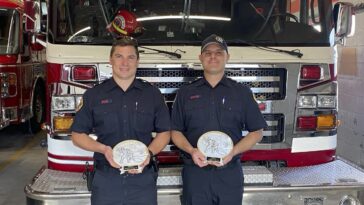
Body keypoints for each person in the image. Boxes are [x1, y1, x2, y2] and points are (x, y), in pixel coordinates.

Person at [71, 37, 170, 205]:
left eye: (130, 57)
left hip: (143, 180)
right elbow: (77, 135)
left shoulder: (152, 95)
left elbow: (165, 132)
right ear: (110, 60)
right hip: (106, 180)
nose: (125, 62)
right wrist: (103, 149)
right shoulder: (94, 95)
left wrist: (149, 153)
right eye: (119, 56)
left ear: (137, 61)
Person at [171, 34, 267, 205]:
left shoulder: (242, 92)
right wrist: (192, 151)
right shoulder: (185, 93)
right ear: (201, 58)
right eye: (207, 53)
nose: (213, 56)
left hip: (229, 173)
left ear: (227, 57)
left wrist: (233, 152)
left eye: (219, 52)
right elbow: (175, 131)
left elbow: (257, 132)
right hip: (195, 173)